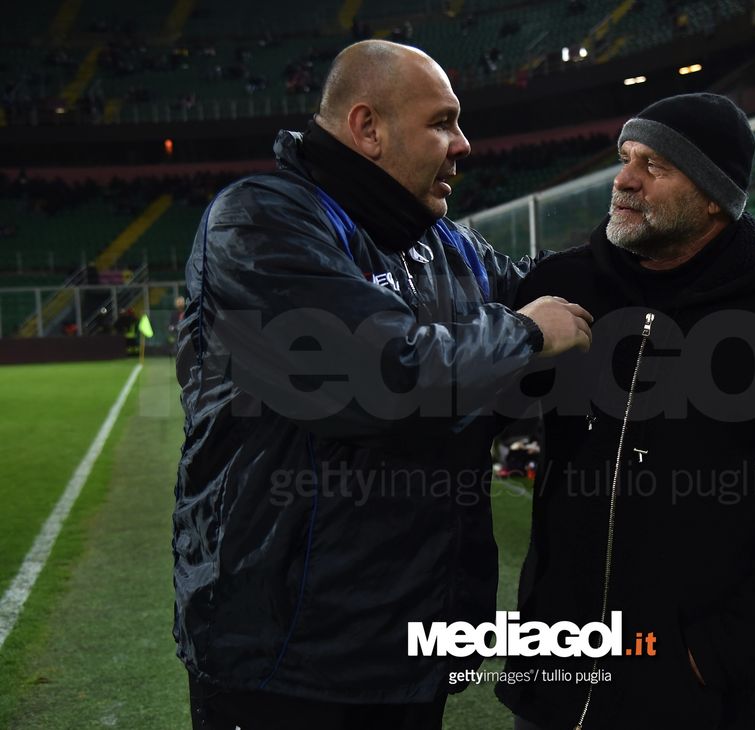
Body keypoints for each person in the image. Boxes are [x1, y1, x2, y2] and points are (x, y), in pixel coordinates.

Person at [173, 40, 593, 730]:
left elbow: (543, 283)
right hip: (285, 659)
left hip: (407, 651)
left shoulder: (440, 242)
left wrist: (663, 238)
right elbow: (381, 376)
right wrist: (525, 333)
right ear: (368, 127)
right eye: (442, 122)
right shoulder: (259, 221)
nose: (464, 144)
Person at [494, 93, 755, 729]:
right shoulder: (565, 286)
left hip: (692, 696)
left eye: (655, 166)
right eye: (626, 158)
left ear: (714, 195)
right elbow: (479, 413)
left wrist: (717, 657)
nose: (624, 179)